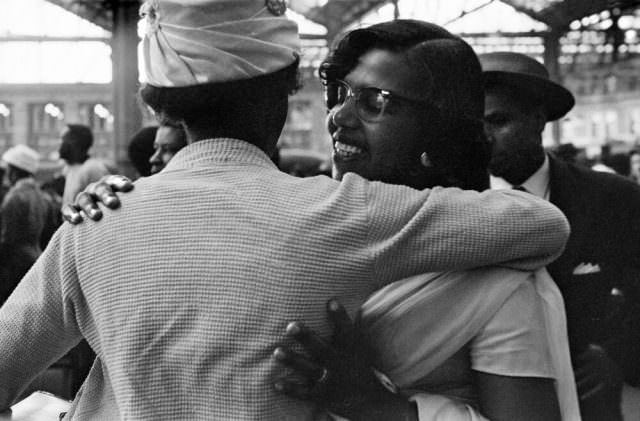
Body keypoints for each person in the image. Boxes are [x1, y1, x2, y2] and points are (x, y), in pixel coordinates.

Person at [63, 19, 577, 420]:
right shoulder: (306, 224)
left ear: (438, 135)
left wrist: (378, 407)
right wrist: (127, 205)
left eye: (376, 102)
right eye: (341, 93)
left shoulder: (497, 276)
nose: (338, 116)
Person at [480, 51, 640, 421]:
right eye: (474, 125)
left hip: (591, 402)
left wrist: (613, 357)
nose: (484, 137)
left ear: (539, 120)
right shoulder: (451, 203)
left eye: (498, 121)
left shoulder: (614, 199)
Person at [0, 145, 50, 303]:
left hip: (16, 265)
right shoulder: (41, 196)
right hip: (36, 259)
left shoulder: (14, 197)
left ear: (14, 171)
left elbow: (8, 238)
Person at [58, 123, 110, 205]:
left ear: (75, 142)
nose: (60, 143)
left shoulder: (93, 168)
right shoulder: (70, 169)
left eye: (64, 139)